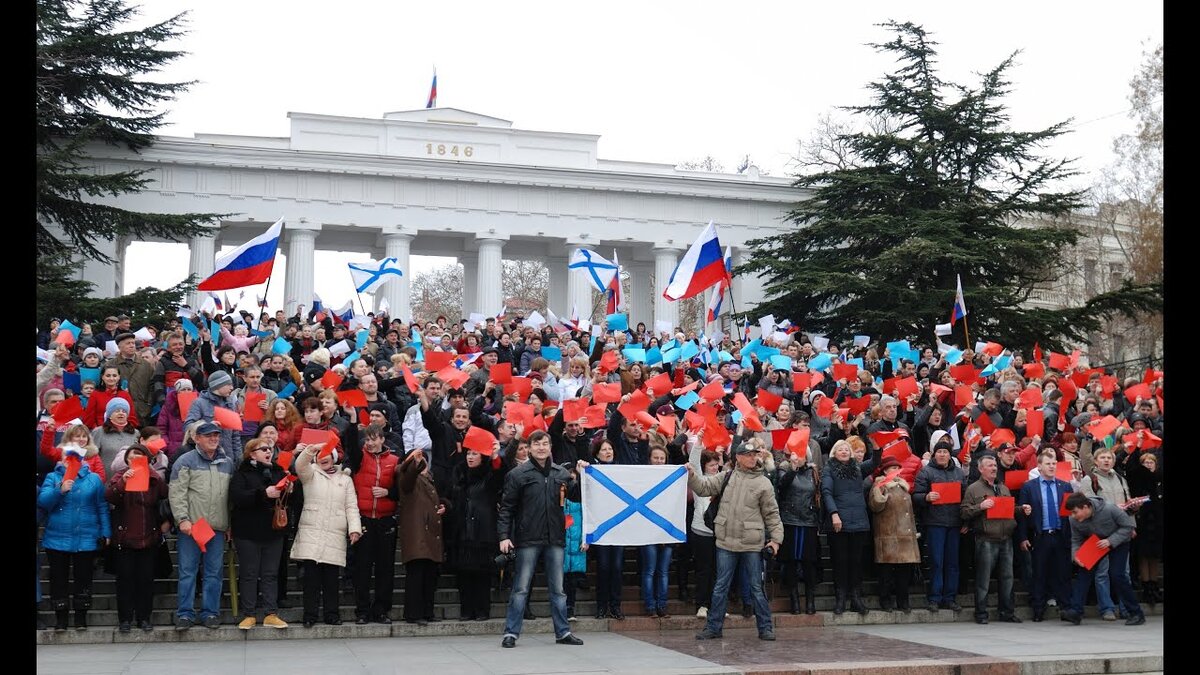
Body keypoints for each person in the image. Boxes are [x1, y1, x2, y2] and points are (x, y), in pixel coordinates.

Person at [689, 437, 783, 642]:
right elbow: (703, 488)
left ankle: (765, 627)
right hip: (726, 540)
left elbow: (772, 514)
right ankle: (714, 627)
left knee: (756, 587)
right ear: (738, 457)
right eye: (747, 455)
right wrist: (692, 475)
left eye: (754, 455)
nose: (752, 458)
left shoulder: (763, 482)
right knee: (721, 585)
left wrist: (776, 540)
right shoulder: (727, 476)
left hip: (751, 542)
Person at [497, 430, 585, 648]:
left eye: (545, 443)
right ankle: (511, 632)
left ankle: (563, 632)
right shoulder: (518, 474)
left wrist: (582, 476)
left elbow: (575, 496)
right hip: (527, 538)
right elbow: (506, 508)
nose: (541, 448)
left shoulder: (561, 474)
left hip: (555, 538)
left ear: (550, 446)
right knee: (521, 588)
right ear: (529, 448)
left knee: (558, 590)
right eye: (537, 444)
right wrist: (503, 536)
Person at [168, 421, 235, 630]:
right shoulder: (185, 461)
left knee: (214, 572)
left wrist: (230, 524)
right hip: (193, 527)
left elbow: (230, 498)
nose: (214, 439)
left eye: (216, 435)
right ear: (196, 438)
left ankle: (210, 613)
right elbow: (177, 492)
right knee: (188, 572)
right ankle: (185, 613)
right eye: (208, 436)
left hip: (216, 528)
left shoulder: (228, 463)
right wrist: (182, 519)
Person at [290, 440, 363, 628]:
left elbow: (351, 506)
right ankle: (310, 615)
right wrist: (309, 450)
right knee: (311, 579)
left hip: (334, 532)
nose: (324, 458)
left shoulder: (345, 479)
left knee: (331, 579)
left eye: (327, 455)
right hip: (311, 531)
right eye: (320, 455)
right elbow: (299, 465)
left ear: (334, 458)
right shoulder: (311, 474)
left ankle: (332, 614)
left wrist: (354, 528)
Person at [39, 444, 111, 631]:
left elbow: (101, 506)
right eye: (66, 455)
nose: (68, 459)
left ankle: (81, 617)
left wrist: (106, 531)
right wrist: (59, 490)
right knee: (58, 579)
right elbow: (43, 502)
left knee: (84, 578)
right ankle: (61, 618)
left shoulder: (93, 479)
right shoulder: (53, 477)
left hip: (86, 537)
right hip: (57, 537)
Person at [105, 444, 168, 633]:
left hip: (148, 536)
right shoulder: (120, 475)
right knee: (124, 580)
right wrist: (124, 481)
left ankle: (144, 618)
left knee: (145, 580)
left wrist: (166, 523)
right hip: (124, 538)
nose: (135, 459)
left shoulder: (154, 477)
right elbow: (109, 496)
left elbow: (165, 498)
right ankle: (125, 619)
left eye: (139, 456)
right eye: (131, 456)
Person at [228, 438, 290, 630]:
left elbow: (290, 501)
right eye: (263, 448)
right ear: (251, 453)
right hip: (247, 532)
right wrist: (263, 493)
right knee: (249, 573)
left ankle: (271, 613)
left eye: (270, 448)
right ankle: (249, 614)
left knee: (270, 574)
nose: (268, 451)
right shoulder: (241, 474)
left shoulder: (278, 471)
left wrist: (291, 490)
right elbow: (237, 497)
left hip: (273, 531)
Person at [1060, 492, 1146, 626]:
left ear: (1085, 507)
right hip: (1095, 542)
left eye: (1075, 512)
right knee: (1084, 572)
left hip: (1118, 542)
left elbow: (1128, 527)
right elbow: (1076, 539)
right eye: (1071, 513)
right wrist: (1076, 555)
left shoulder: (1109, 509)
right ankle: (1075, 612)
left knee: (1117, 575)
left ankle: (1136, 613)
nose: (1073, 516)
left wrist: (1111, 541)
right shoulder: (1073, 520)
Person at [345, 423, 400, 625]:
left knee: (385, 568)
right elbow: (351, 445)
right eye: (367, 439)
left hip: (386, 519)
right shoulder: (360, 458)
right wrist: (352, 421)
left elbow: (402, 488)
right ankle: (362, 611)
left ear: (382, 439)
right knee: (363, 567)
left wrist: (388, 493)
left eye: (373, 439)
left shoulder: (394, 460)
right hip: (364, 518)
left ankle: (381, 610)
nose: (369, 443)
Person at [449, 439, 506, 621]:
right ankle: (467, 610)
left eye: (475, 454)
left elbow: (500, 474)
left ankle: (482, 610)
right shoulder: (459, 474)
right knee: (464, 575)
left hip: (483, 533)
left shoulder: (488, 475)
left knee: (482, 575)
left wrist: (496, 456)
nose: (471, 457)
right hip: (463, 532)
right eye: (468, 454)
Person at [821, 438, 879, 615]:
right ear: (834, 453)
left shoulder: (857, 468)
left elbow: (875, 462)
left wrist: (876, 447)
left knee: (856, 562)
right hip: (839, 522)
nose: (844, 451)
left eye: (847, 449)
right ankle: (840, 598)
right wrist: (834, 514)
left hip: (859, 521)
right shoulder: (829, 469)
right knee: (840, 562)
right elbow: (827, 492)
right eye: (840, 449)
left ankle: (855, 598)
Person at [1016, 451, 1074, 622]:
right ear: (1039, 466)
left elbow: (1070, 512)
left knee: (1063, 573)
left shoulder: (1065, 486)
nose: (1052, 466)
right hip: (1040, 535)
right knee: (1039, 573)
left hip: (1060, 534)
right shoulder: (1029, 487)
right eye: (1048, 464)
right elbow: (1022, 514)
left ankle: (1066, 607)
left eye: (1054, 463)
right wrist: (1023, 537)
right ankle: (1038, 608)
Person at [912, 436, 967, 612]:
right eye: (939, 452)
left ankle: (949, 597)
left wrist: (965, 521)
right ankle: (934, 597)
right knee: (936, 561)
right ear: (934, 454)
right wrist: (926, 497)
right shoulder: (926, 472)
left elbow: (965, 498)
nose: (942, 455)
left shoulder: (958, 473)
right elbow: (916, 496)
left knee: (952, 562)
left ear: (950, 455)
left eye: (945, 452)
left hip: (954, 523)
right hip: (935, 523)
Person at [397, 446, 449, 625]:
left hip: (430, 535)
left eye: (423, 460)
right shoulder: (408, 477)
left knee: (429, 577)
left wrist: (443, 506)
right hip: (417, 535)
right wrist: (413, 464)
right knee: (416, 577)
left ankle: (427, 611)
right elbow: (407, 478)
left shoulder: (430, 480)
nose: (421, 464)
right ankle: (413, 613)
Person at [773, 443, 821, 615]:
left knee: (809, 562)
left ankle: (810, 600)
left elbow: (816, 495)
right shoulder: (784, 469)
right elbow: (782, 486)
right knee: (791, 561)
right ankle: (794, 600)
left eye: (801, 455)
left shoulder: (812, 471)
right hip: (790, 520)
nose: (798, 458)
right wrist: (793, 468)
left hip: (808, 521)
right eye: (795, 454)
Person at [868, 456, 920, 612]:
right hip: (888, 535)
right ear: (885, 470)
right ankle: (886, 601)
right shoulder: (880, 484)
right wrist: (880, 494)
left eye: (898, 468)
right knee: (886, 573)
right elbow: (875, 506)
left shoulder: (904, 486)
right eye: (893, 468)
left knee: (903, 573)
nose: (896, 471)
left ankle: (903, 601)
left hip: (905, 536)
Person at [587, 438, 625, 620]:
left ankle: (615, 605)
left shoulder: (621, 470)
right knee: (603, 567)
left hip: (618, 526)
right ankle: (601, 606)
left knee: (617, 567)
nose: (608, 452)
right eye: (604, 449)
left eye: (610, 449)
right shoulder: (592, 471)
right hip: (602, 526)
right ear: (597, 453)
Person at [639, 445, 675, 617]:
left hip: (667, 532)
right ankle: (650, 606)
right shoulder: (643, 478)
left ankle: (662, 605)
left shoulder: (672, 479)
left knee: (663, 571)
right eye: (656, 458)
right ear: (649, 459)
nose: (659, 461)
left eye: (662, 458)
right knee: (650, 570)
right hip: (647, 531)